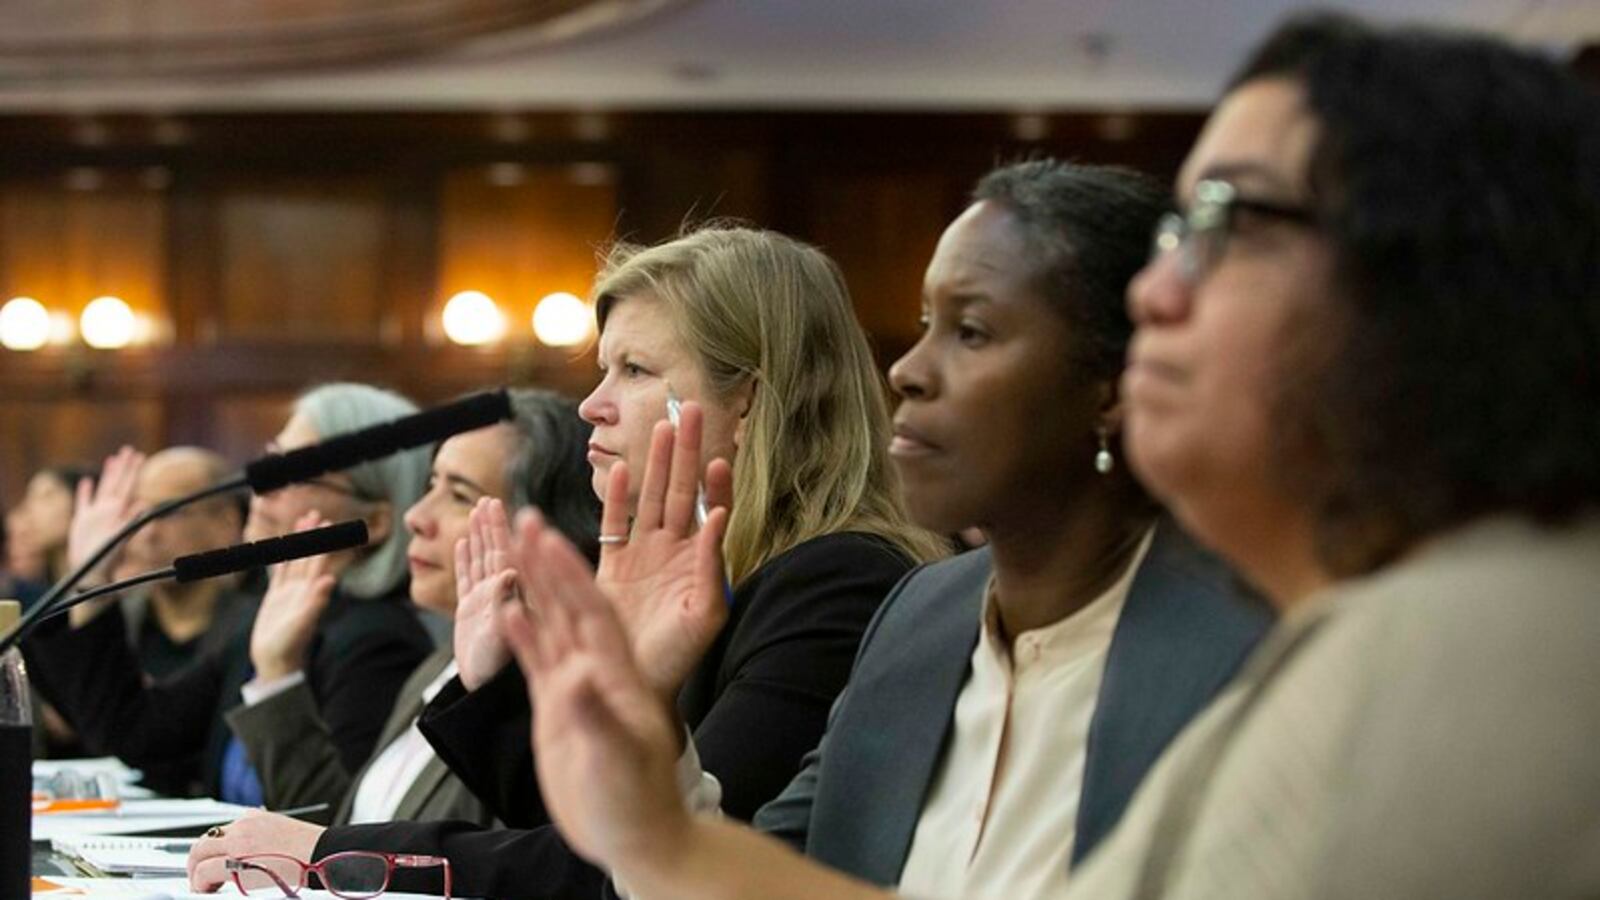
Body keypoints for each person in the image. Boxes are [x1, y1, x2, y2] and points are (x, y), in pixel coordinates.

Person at [464, 13, 1600, 900]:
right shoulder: (923, 616)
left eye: (1229, 222)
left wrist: (655, 829)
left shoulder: (1500, 630)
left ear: (1437, 274)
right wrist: (650, 803)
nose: (1160, 291)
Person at [189, 227, 946, 899]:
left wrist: (335, 854)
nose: (592, 403)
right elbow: (581, 835)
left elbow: (634, 868)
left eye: (635, 370)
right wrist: (487, 680)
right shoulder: (723, 574)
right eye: (603, 369)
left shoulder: (836, 583)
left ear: (748, 403)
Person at [27, 383, 435, 799]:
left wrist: (279, 676)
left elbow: (339, 826)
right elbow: (138, 733)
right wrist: (92, 582)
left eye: (298, 471)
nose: (265, 483)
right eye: (273, 459)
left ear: (378, 520)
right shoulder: (266, 616)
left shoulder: (379, 643)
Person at [223, 388, 599, 827]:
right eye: (429, 485)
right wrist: (277, 669)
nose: (416, 515)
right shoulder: (437, 668)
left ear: (542, 531)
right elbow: (346, 832)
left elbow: (509, 863)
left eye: (459, 495)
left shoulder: (555, 696)